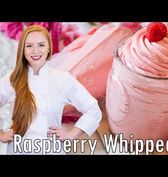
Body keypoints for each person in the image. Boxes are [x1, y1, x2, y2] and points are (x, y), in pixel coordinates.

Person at [0, 25, 102, 154]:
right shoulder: (13, 79)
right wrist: (1, 135)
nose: (35, 51)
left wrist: (72, 134)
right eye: (29, 46)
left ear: (49, 48)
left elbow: (93, 110)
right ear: (22, 50)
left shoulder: (63, 79)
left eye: (41, 45)